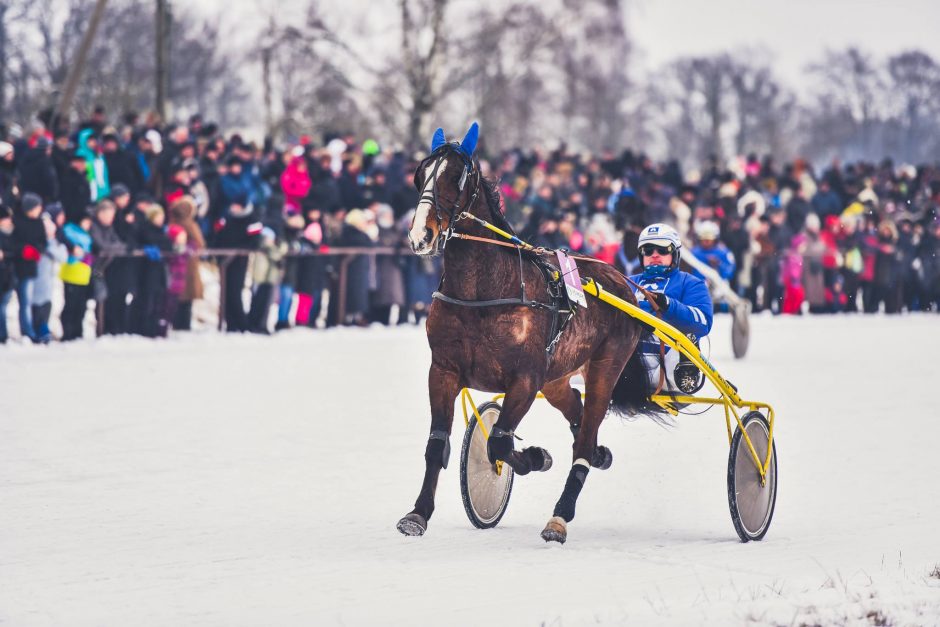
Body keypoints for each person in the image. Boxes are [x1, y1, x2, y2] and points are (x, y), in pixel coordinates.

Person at [627, 223, 714, 395]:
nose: (655, 255)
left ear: (675, 253)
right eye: (648, 250)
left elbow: (703, 322)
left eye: (663, 249)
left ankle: (687, 372)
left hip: (669, 367)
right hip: (625, 360)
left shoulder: (690, 283)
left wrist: (668, 305)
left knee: (687, 335)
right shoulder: (626, 283)